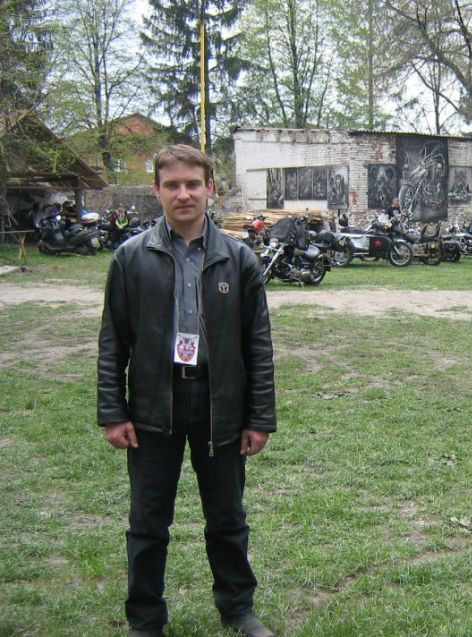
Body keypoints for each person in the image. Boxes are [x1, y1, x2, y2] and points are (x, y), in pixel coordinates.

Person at [98, 145, 277, 637]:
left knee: (227, 518)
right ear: (156, 189)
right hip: (153, 406)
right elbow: (113, 341)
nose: (183, 194)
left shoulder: (238, 259)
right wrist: (113, 411)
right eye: (173, 184)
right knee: (147, 522)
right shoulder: (130, 258)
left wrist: (259, 418)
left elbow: (258, 346)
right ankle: (145, 619)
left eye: (193, 184)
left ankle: (237, 609)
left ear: (209, 188)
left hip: (220, 405)